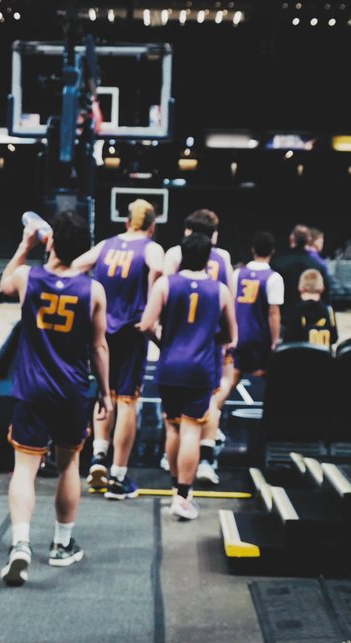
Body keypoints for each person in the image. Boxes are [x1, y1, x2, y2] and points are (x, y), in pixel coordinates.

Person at [0, 211, 111, 586]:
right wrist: (106, 393)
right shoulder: (93, 291)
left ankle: (20, 545)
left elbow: (3, 283)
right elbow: (98, 348)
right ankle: (62, 545)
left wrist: (24, 245)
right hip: (71, 391)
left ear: (51, 241)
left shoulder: (30, 278)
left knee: (24, 469)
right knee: (68, 466)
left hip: (31, 390)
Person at [70, 199, 164, 500]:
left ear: (126, 222)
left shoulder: (107, 245)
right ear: (152, 226)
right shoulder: (150, 248)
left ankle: (98, 456)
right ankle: (119, 476)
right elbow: (160, 269)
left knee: (104, 393)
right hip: (132, 330)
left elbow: (75, 265)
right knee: (127, 401)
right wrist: (151, 299)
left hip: (103, 330)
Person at [140, 233, 237, 520]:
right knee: (192, 430)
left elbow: (146, 324)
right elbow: (231, 336)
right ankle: (183, 495)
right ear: (208, 258)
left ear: (181, 255)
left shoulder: (165, 284)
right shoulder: (220, 290)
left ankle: (174, 489)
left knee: (172, 428)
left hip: (170, 365)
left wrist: (164, 343)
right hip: (201, 368)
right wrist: (210, 339)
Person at [161, 209, 233, 482]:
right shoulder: (223, 257)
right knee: (210, 403)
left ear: (189, 230)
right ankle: (205, 460)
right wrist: (228, 341)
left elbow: (163, 291)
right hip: (210, 340)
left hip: (178, 339)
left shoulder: (175, 254)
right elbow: (231, 299)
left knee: (175, 421)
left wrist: (160, 336)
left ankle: (174, 461)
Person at [207, 233, 283, 474]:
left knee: (229, 381)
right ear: (272, 252)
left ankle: (210, 415)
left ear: (252, 250)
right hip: (260, 337)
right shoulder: (273, 277)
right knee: (270, 382)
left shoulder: (238, 273)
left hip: (239, 333)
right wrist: (275, 340)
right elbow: (273, 313)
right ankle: (274, 426)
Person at [272, 225, 331, 315]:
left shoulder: (276, 264)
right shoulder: (318, 267)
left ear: (292, 239)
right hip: (308, 320)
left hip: (283, 318)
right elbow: (325, 296)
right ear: (309, 240)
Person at [284, 269, 338, 347]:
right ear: (322, 288)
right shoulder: (329, 310)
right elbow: (334, 338)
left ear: (301, 288)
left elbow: (289, 340)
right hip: (324, 356)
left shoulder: (295, 310)